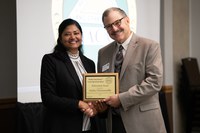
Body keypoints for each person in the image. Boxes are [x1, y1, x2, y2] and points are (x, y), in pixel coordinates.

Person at [97, 7, 167, 133]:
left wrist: (121, 99)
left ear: (127, 20)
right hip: (114, 123)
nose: (114, 29)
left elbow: (154, 82)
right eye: (108, 26)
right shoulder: (103, 53)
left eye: (117, 22)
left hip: (143, 122)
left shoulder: (150, 46)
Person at [40, 18, 104, 133]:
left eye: (76, 33)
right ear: (60, 38)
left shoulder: (89, 63)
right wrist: (78, 104)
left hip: (90, 125)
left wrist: (95, 106)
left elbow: (92, 94)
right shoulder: (51, 60)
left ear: (81, 36)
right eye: (67, 34)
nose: (73, 37)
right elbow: (47, 97)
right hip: (64, 126)